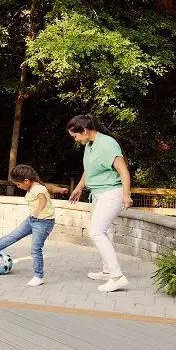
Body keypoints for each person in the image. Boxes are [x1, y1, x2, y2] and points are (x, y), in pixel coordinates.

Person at [67, 114, 133, 292]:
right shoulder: (89, 145)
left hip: (111, 193)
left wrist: (126, 195)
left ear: (85, 130)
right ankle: (107, 271)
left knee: (96, 232)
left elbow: (124, 171)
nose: (76, 140)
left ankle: (117, 277)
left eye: (76, 136)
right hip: (98, 194)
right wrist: (79, 188)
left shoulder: (107, 144)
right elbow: (88, 170)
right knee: (104, 231)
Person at [0, 165, 55, 287]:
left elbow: (43, 199)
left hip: (43, 223)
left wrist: (39, 210)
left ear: (26, 181)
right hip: (32, 220)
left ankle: (39, 276)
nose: (18, 186)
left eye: (18, 184)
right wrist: (60, 190)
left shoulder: (37, 188)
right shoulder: (36, 186)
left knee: (36, 249)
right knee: (13, 235)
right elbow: (48, 188)